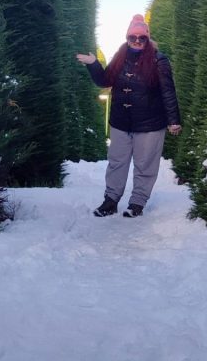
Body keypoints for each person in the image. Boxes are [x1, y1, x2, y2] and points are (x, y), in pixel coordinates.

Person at [76, 14, 182, 218]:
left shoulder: (159, 60)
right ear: (127, 37)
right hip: (121, 122)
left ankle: (137, 203)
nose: (137, 41)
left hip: (150, 124)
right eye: (132, 37)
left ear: (147, 38)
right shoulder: (120, 55)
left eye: (141, 38)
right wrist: (93, 63)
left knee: (145, 164)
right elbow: (105, 80)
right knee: (116, 162)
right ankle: (111, 200)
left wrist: (174, 120)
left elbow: (168, 91)